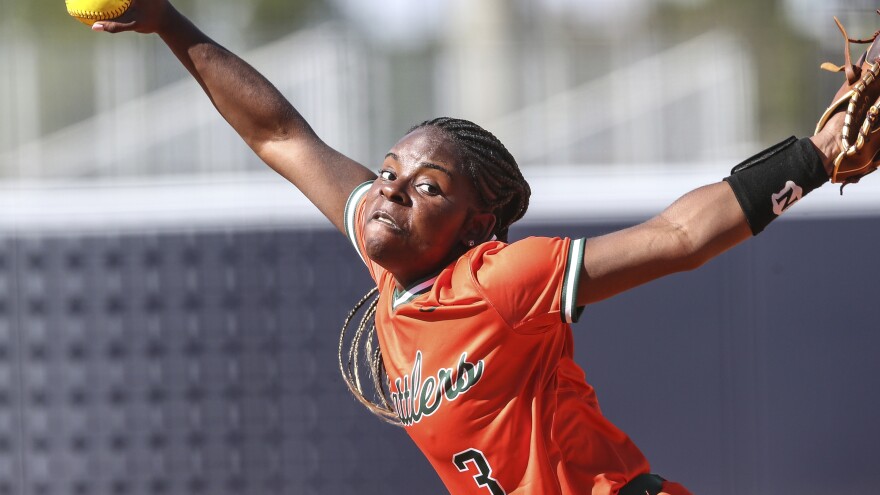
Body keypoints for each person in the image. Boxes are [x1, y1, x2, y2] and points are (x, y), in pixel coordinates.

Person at [92, 2, 860, 494]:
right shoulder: (385, 256)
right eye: (390, 172)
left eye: (427, 187)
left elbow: (678, 238)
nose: (390, 189)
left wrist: (813, 160)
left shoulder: (501, 277)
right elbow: (279, 133)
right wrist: (168, 22)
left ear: (473, 224)